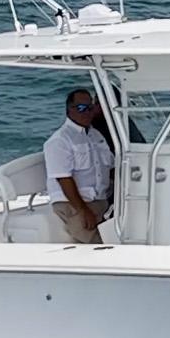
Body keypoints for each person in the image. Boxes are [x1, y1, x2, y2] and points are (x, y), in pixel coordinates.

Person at [44, 85, 116, 244]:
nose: (87, 112)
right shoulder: (60, 141)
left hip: (101, 201)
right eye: (81, 108)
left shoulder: (96, 135)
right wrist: (83, 211)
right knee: (100, 245)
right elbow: (64, 180)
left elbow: (111, 167)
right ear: (69, 110)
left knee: (120, 238)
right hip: (73, 205)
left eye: (90, 108)